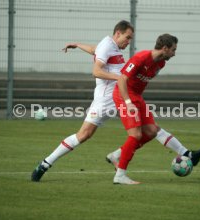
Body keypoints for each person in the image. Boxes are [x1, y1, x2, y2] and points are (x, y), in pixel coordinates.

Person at [31, 20, 134, 181]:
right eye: (127, 38)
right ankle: (45, 163)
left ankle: (116, 157)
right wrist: (120, 78)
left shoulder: (108, 44)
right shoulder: (108, 45)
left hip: (115, 97)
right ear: (118, 33)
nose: (129, 42)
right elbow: (96, 71)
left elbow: (95, 50)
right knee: (84, 134)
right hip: (106, 100)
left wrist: (78, 45)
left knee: (140, 128)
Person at [111, 34, 200, 184]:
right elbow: (122, 79)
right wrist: (128, 102)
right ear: (165, 48)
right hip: (123, 96)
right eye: (173, 50)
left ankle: (117, 155)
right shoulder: (140, 57)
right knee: (135, 135)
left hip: (137, 97)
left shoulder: (161, 63)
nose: (174, 54)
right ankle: (120, 175)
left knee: (152, 131)